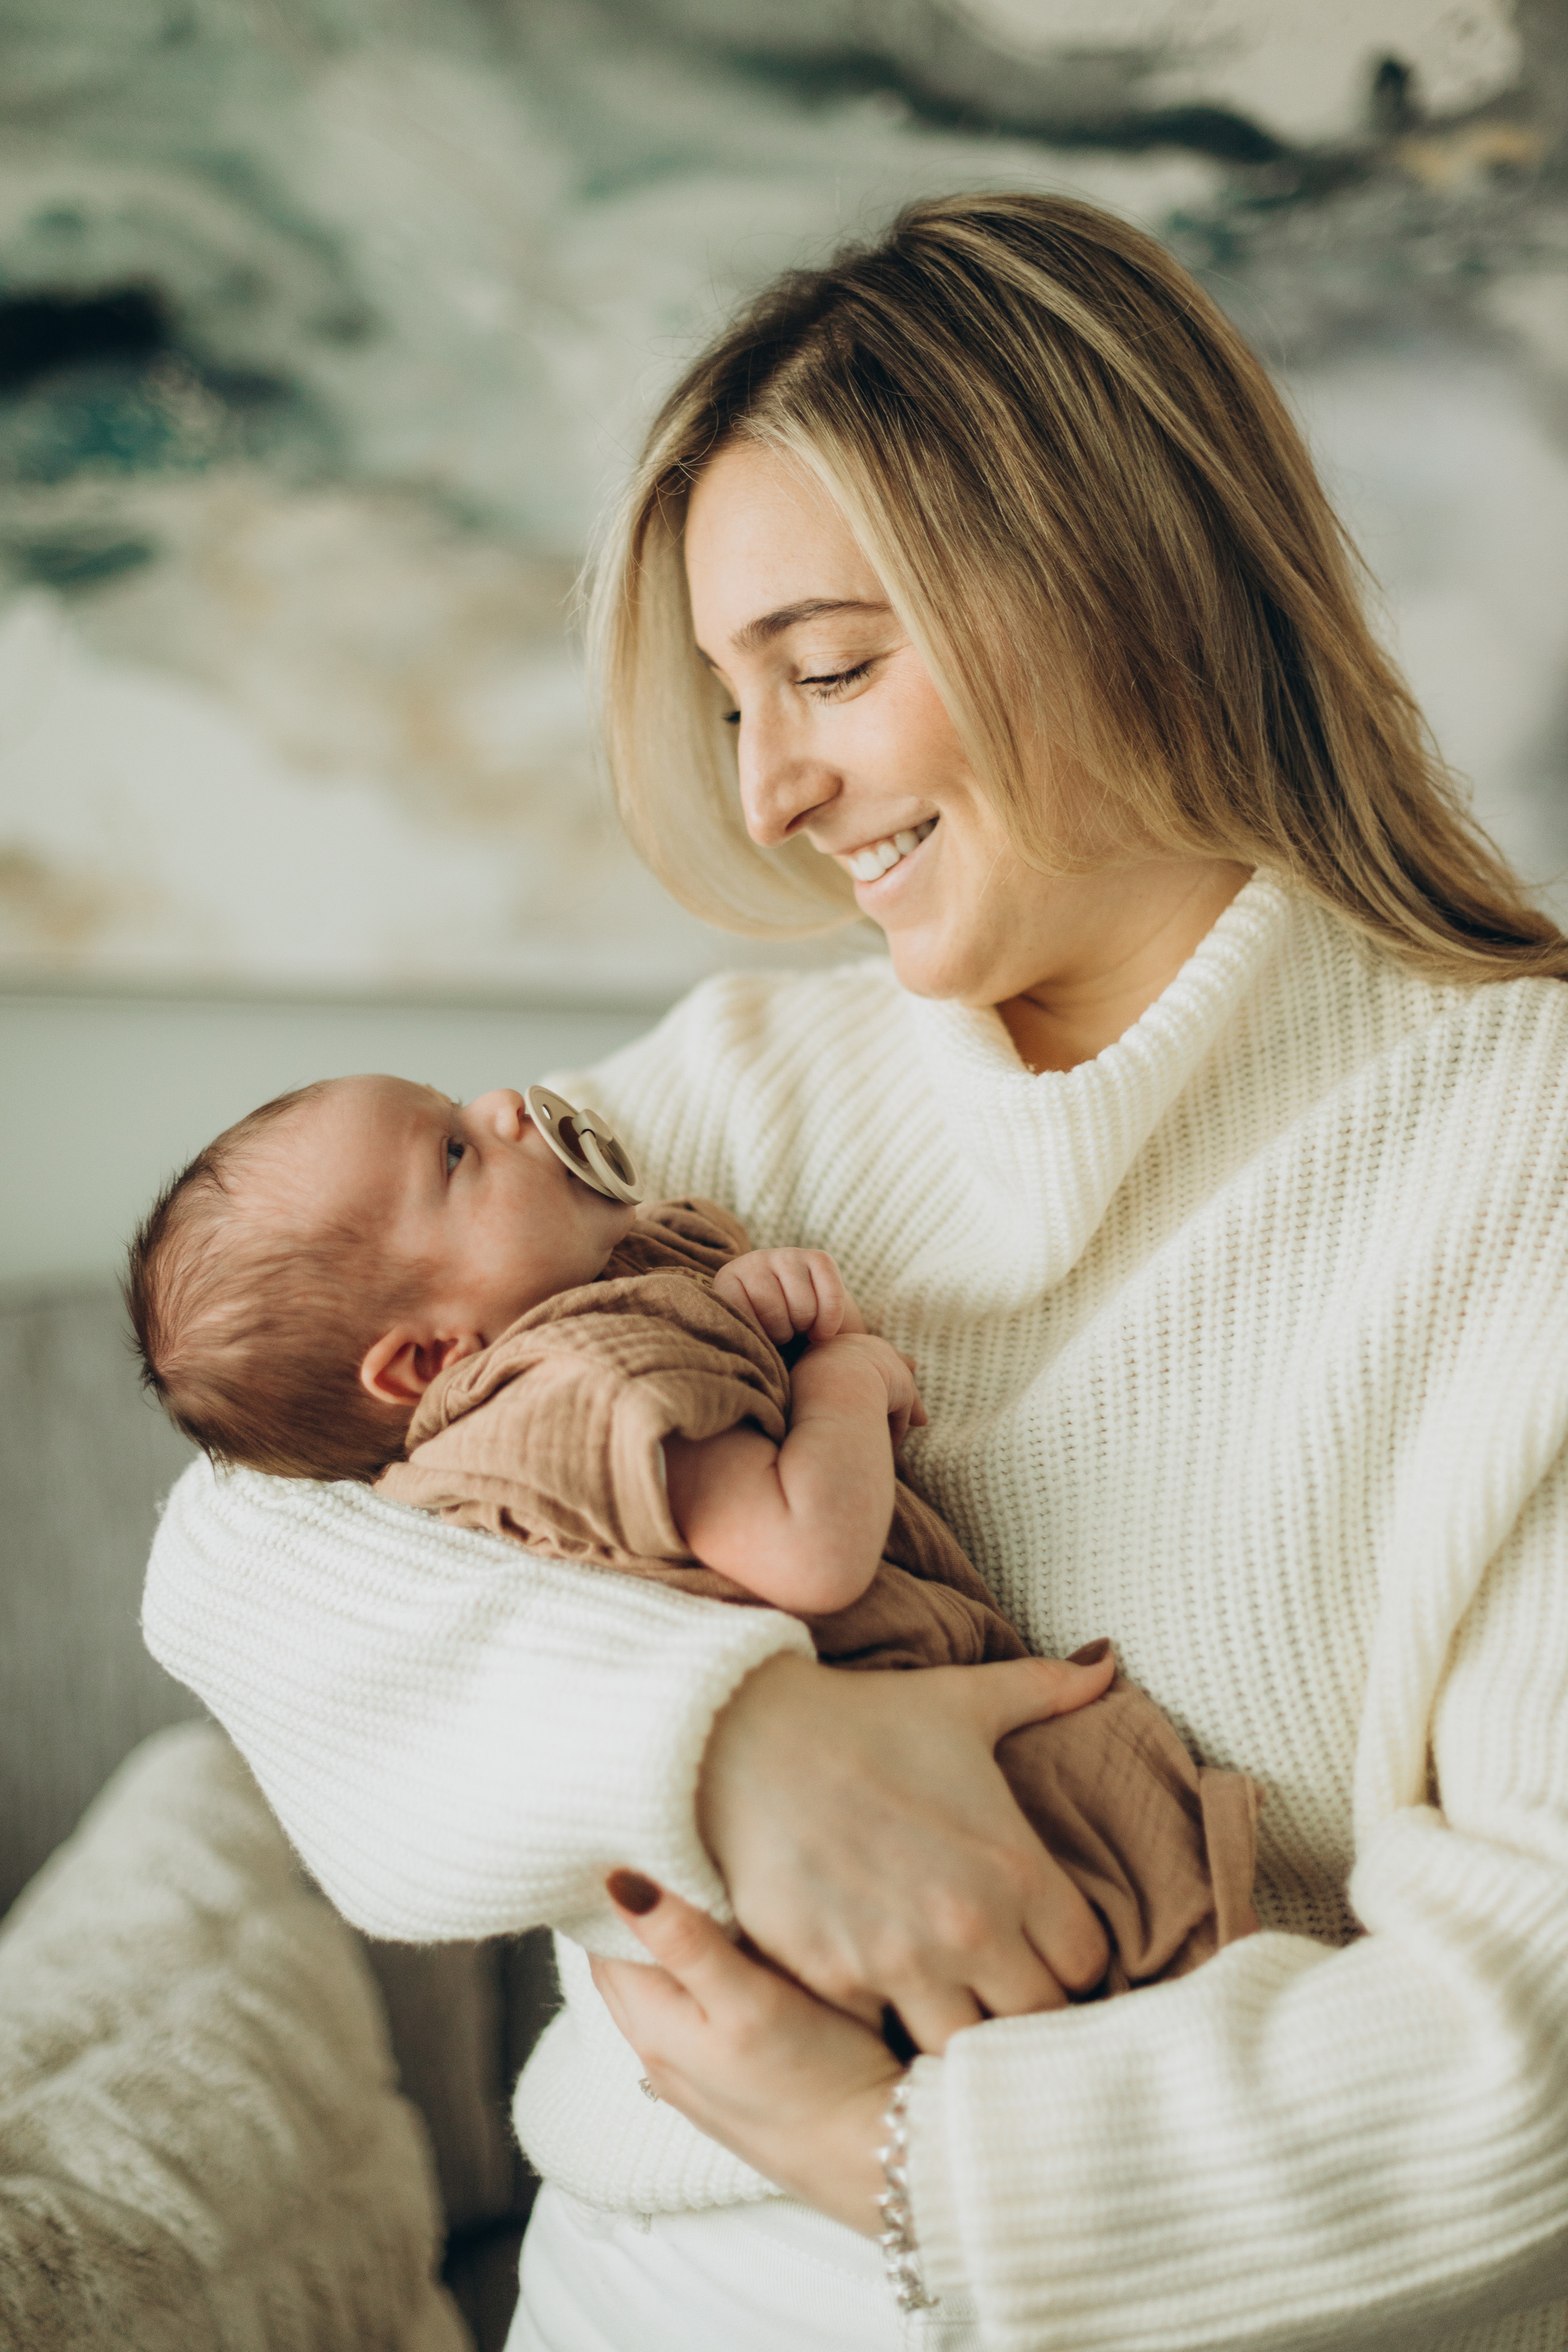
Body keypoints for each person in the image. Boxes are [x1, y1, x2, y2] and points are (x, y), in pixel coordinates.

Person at [141, 190, 1568, 2352]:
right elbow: (243, 1529)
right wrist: (734, 1753)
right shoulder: (714, 1116)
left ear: (1122, 593)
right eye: (737, 700)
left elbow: (1532, 2034)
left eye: (828, 668)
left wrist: (900, 2156)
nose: (779, 786)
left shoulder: (1517, 1155)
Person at [126, 1071, 1257, 2004]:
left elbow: (681, 1323)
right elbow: (804, 1550)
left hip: (869, 1841)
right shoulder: (584, 1376)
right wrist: (843, 1382)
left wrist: (745, 1300)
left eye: (460, 1106)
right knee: (1155, 1937)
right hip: (930, 1779)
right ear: (427, 1360)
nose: (513, 1107)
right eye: (455, 1155)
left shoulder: (572, 1322)